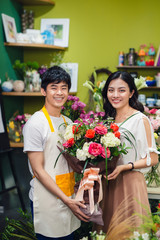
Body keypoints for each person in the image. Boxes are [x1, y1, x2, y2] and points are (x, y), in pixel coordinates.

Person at [23, 66, 89, 240]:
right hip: (47, 199)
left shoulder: (68, 122)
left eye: (64, 88)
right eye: (54, 87)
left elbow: (72, 161)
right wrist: (66, 200)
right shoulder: (36, 124)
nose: (59, 92)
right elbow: (38, 171)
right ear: (43, 91)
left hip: (70, 195)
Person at [94, 71, 159, 233]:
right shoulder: (107, 120)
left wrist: (125, 167)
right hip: (109, 184)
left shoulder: (140, 120)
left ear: (131, 93)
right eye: (111, 90)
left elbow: (153, 158)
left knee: (129, 232)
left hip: (130, 183)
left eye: (121, 90)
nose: (115, 95)